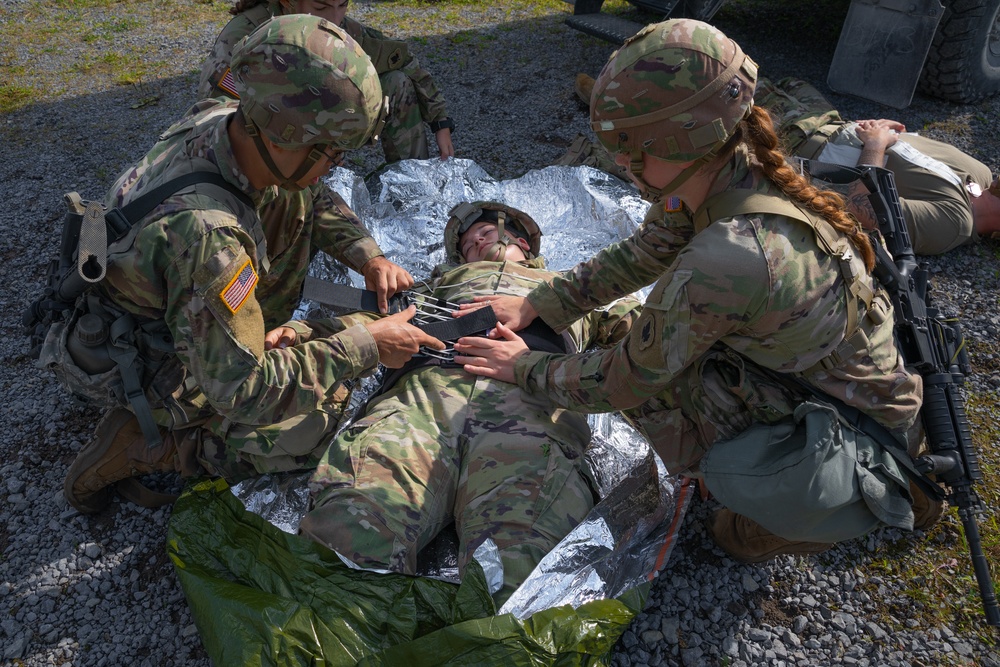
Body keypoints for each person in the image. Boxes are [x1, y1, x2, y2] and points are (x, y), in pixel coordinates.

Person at [452, 19, 941, 564]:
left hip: (851, 420)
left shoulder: (732, 257)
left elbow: (625, 380)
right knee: (660, 346)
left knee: (727, 531)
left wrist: (524, 368)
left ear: (676, 139)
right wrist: (540, 303)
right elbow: (641, 253)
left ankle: (831, 504)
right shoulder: (725, 167)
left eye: (625, 144)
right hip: (806, 366)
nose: (618, 161)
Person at [50, 15, 444, 515]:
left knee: (293, 196)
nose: (334, 167)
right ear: (282, 134)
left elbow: (311, 192)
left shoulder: (231, 120)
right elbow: (245, 393)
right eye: (331, 154)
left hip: (168, 313)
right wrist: (366, 345)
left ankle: (255, 348)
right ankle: (152, 443)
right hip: (152, 359)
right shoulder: (210, 240)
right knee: (314, 428)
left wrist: (368, 255)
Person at [296, 201, 641, 604]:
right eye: (464, 241)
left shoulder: (575, 287)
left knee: (523, 577)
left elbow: (646, 339)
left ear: (522, 240)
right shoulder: (434, 288)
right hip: (420, 403)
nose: (473, 239)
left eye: (483, 230)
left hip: (528, 411)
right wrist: (300, 332)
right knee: (345, 537)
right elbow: (370, 324)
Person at [570, 72, 1000, 255]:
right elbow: (908, 143)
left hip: (796, 151)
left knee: (686, 130)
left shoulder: (953, 222)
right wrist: (883, 130)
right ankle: (628, 82)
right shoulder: (978, 175)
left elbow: (862, 211)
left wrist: (876, 145)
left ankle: (608, 107)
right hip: (824, 122)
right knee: (736, 81)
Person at [200, 0, 455, 165]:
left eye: (342, 5)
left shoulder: (337, 27)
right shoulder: (246, 34)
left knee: (396, 83)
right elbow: (218, 113)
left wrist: (440, 121)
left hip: (321, 131)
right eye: (321, 8)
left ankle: (411, 189)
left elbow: (398, 59)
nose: (334, 19)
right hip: (273, 144)